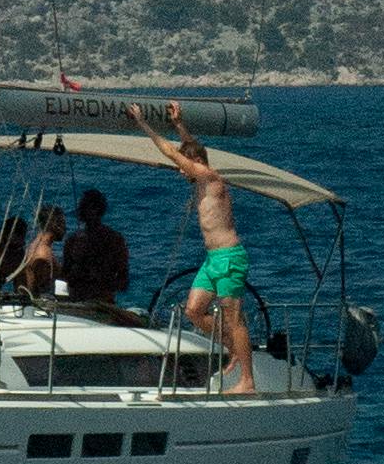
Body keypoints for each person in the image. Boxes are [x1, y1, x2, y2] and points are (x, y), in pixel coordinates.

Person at [138, 98, 256, 395]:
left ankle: (247, 381)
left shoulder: (210, 177)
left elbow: (169, 151)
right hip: (212, 259)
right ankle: (233, 347)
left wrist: (142, 122)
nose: (181, 172)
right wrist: (179, 124)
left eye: (185, 166)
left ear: (197, 164)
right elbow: (192, 147)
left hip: (229, 258)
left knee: (234, 318)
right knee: (193, 310)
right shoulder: (202, 176)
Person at [60, 188, 130, 314]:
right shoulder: (73, 241)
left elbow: (123, 281)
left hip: (99, 305)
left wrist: (98, 280)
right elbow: (123, 282)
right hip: (79, 304)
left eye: (87, 207)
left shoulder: (113, 240)